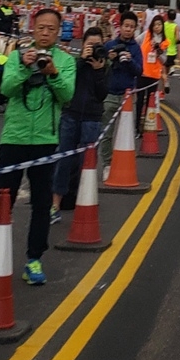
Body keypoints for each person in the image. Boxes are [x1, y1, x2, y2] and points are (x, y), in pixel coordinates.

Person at [0, 7, 76, 286]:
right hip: (13, 138)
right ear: (33, 28)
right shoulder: (16, 56)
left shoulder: (66, 60)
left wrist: (52, 73)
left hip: (45, 140)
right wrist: (23, 66)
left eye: (51, 29)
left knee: (41, 204)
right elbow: (5, 89)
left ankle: (34, 259)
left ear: (58, 32)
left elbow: (67, 95)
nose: (45, 33)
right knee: (2, 203)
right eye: (41, 27)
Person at [53, 26, 110, 215]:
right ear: (83, 45)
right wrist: (81, 61)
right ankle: (55, 203)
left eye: (97, 45)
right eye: (90, 45)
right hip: (71, 114)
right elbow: (66, 84)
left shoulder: (104, 65)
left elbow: (102, 95)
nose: (94, 49)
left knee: (86, 161)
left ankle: (84, 200)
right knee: (63, 159)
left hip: (92, 118)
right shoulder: (73, 63)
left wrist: (98, 71)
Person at [101, 12, 144, 170]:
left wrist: (129, 60)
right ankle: (107, 164)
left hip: (128, 95)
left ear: (135, 29)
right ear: (120, 27)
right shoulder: (109, 45)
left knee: (126, 132)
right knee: (107, 132)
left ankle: (124, 165)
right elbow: (100, 67)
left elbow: (139, 71)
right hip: (110, 93)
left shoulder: (136, 49)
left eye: (132, 27)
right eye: (126, 26)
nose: (128, 29)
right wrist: (110, 59)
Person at [139, 14, 167, 129]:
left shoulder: (164, 41)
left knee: (150, 101)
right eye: (155, 24)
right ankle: (137, 124)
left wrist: (158, 50)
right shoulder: (146, 35)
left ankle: (147, 125)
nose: (157, 27)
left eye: (159, 24)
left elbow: (164, 60)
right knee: (140, 100)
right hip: (142, 72)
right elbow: (135, 42)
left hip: (154, 75)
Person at [163, 7, 179, 89]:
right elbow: (178, 38)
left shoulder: (163, 25)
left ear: (167, 16)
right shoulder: (176, 26)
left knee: (163, 70)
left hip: (164, 50)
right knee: (167, 69)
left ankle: (165, 83)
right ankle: (167, 79)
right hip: (172, 51)